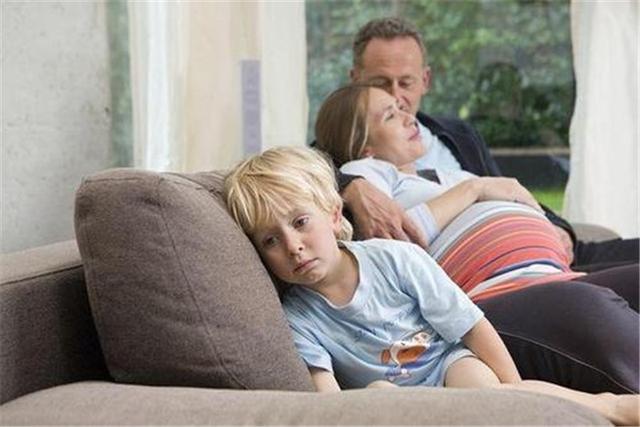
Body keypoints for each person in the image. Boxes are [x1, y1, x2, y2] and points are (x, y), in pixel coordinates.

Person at [223, 146, 639, 426]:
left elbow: (471, 326)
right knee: (379, 394)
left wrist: (514, 390)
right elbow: (327, 401)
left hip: (447, 365)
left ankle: (610, 406)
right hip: (390, 400)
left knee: (486, 391)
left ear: (334, 215)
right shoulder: (298, 318)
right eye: (270, 241)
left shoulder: (394, 259)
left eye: (300, 223)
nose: (292, 246)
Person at [314, 82, 639, 394]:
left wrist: (547, 227)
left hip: (551, 272)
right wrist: (476, 189)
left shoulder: (450, 176)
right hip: (493, 293)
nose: (408, 116)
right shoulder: (366, 173)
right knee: (590, 309)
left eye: (402, 108)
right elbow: (400, 237)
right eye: (390, 115)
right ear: (364, 146)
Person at [340, 17, 638, 272]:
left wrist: (559, 228)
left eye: (406, 83)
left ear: (425, 80)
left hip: (540, 244)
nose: (396, 97)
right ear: (354, 79)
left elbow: (504, 187)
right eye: (379, 83)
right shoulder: (343, 154)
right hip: (494, 271)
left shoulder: (459, 134)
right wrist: (350, 185)